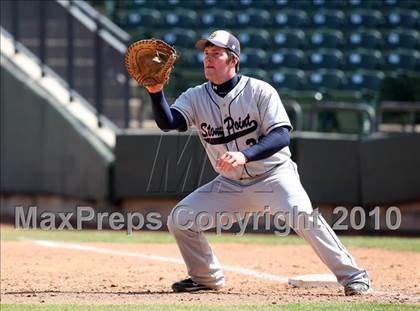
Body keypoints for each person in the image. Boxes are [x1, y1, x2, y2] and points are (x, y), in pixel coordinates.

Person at [145, 30, 371, 296]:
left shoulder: (259, 91)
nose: (208, 59)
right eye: (206, 54)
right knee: (180, 219)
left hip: (274, 176)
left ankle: (354, 276)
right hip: (231, 184)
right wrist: (155, 91)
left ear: (234, 60)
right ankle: (205, 278)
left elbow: (281, 135)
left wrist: (245, 155)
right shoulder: (195, 96)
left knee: (303, 216)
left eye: (216, 53)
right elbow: (169, 122)